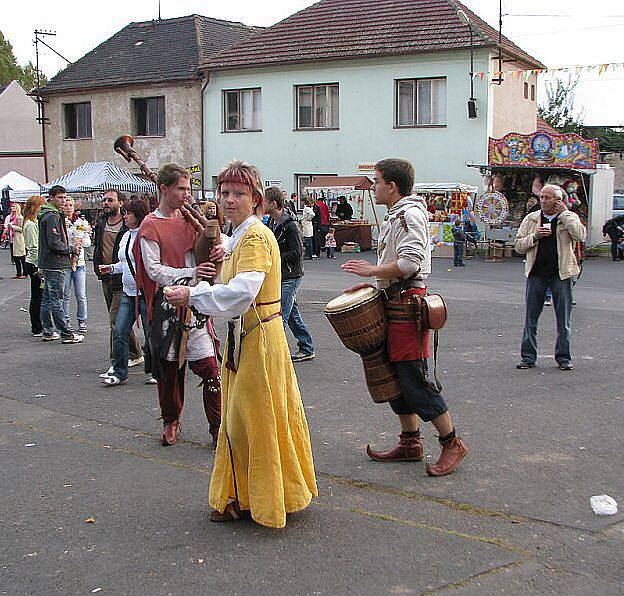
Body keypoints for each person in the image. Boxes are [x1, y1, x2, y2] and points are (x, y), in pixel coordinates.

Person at [164, 159, 317, 528]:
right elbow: (230, 281)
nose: (229, 199)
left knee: (249, 421)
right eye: (225, 192)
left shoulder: (254, 238)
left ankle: (256, 497)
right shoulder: (240, 237)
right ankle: (245, 495)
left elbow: (240, 295)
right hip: (245, 339)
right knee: (246, 420)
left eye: (239, 193)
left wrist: (192, 295)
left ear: (256, 199)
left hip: (259, 340)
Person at [341, 158, 468, 477]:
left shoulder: (409, 214)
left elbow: (410, 263)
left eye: (377, 180)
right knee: (395, 378)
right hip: (395, 299)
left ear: (392, 186)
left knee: (414, 378)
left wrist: (373, 271)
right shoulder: (399, 213)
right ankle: (410, 442)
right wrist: (375, 282)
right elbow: (398, 264)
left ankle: (452, 443)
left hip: (407, 305)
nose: (374, 185)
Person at [136, 163, 222, 446]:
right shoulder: (150, 225)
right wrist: (192, 273)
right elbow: (155, 271)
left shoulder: (190, 220)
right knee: (170, 370)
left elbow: (212, 250)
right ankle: (171, 420)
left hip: (196, 303)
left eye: (188, 189)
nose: (186, 194)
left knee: (210, 368)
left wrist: (221, 247)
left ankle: (217, 426)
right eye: (181, 189)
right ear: (164, 188)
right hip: (168, 305)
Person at [515, 184, 586, 370]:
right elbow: (518, 245)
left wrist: (565, 214)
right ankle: (528, 357)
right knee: (530, 318)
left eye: (547, 198)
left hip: (561, 275)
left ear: (558, 200)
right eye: (542, 198)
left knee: (563, 319)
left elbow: (580, 235)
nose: (543, 201)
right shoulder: (531, 219)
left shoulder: (568, 218)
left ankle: (563, 358)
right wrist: (535, 237)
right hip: (536, 274)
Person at [99, 198, 151, 385]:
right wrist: (111, 268)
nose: (125, 216)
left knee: (150, 333)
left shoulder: (146, 235)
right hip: (129, 292)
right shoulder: (126, 236)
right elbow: (125, 263)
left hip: (145, 293)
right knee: (120, 330)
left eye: (128, 213)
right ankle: (120, 371)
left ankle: (156, 370)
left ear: (138, 215)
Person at [263, 186, 316, 362]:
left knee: (280, 316)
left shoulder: (290, 225)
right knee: (292, 314)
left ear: (274, 203)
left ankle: (274, 354)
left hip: (291, 276)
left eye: (264, 201)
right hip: (282, 274)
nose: (261, 203)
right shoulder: (271, 222)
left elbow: (297, 252)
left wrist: (274, 256)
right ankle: (306, 347)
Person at [93, 190, 143, 373]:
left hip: (129, 285)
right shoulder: (102, 223)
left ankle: (117, 363)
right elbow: (100, 247)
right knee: (120, 324)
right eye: (104, 200)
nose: (106, 203)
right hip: (108, 278)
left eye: (110, 200)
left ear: (120, 203)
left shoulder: (131, 230)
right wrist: (106, 268)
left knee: (116, 322)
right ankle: (133, 355)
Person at [37, 185, 84, 344]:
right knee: (56, 298)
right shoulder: (52, 216)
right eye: (60, 197)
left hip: (48, 262)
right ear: (51, 198)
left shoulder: (48, 214)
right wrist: (71, 249)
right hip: (55, 263)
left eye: (65, 197)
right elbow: (54, 243)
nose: (63, 201)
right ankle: (66, 333)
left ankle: (48, 331)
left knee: (48, 298)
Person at [62, 197, 91, 333]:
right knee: (65, 294)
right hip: (65, 262)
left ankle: (82, 320)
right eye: (66, 205)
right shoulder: (61, 222)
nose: (68, 208)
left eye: (70, 205)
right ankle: (66, 320)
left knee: (81, 294)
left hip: (79, 263)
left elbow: (88, 242)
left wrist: (79, 240)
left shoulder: (81, 222)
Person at [22, 196, 45, 337]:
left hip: (35, 262)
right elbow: (33, 247)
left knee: (40, 295)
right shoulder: (30, 224)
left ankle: (39, 324)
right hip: (34, 263)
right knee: (37, 296)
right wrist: (39, 266)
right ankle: (36, 326)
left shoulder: (35, 222)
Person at [5, 203, 27, 278]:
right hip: (13, 239)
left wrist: (13, 226)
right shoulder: (11, 217)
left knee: (21, 257)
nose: (12, 208)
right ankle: (18, 273)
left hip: (19, 239)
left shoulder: (20, 218)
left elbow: (22, 229)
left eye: (14, 206)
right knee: (15, 257)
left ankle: (24, 273)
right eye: (11, 206)